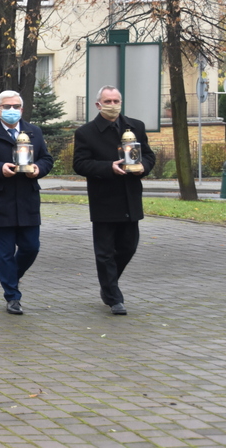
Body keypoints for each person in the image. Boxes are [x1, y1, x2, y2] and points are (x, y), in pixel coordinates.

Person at [0, 90, 54, 315]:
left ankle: (11, 277)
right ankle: (12, 297)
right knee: (4, 253)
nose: (12, 110)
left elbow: (46, 159)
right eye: (7, 107)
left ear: (22, 109)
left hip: (27, 199)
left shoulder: (33, 132)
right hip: (0, 200)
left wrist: (39, 169)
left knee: (31, 247)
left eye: (16, 106)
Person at [73, 86, 155, 315]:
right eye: (107, 101)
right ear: (98, 104)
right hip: (104, 198)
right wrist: (108, 168)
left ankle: (109, 284)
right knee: (105, 251)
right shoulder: (86, 132)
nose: (112, 104)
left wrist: (143, 167)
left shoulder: (135, 127)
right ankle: (113, 297)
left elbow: (148, 154)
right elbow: (80, 164)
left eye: (116, 100)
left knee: (128, 246)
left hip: (130, 196)